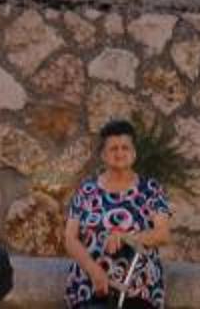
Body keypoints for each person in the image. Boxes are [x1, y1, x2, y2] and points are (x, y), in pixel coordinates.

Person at [63, 120, 172, 308]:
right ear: (103, 155)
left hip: (137, 287)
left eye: (125, 147)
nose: (120, 153)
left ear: (134, 153)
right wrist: (94, 271)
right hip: (91, 287)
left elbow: (162, 234)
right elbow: (70, 239)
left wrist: (127, 237)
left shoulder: (150, 189)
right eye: (113, 149)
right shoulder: (87, 190)